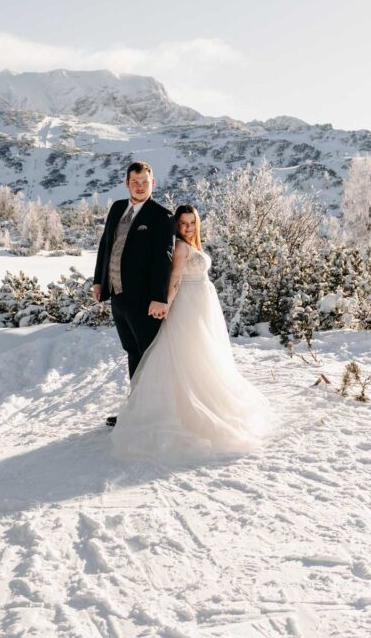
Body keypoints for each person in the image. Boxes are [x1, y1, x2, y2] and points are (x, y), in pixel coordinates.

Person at [111, 204, 275, 461]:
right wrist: (165, 305)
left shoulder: (193, 244)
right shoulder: (179, 246)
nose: (187, 227)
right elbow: (174, 277)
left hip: (201, 305)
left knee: (204, 354)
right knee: (190, 354)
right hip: (187, 304)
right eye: (182, 223)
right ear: (176, 225)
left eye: (191, 223)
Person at [92, 161, 175, 426]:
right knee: (132, 351)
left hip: (145, 301)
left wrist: (159, 298)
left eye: (145, 182)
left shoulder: (162, 216)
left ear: (153, 183)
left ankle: (155, 412)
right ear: (127, 183)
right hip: (118, 295)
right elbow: (106, 245)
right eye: (135, 182)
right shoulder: (117, 208)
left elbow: (164, 260)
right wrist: (98, 282)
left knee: (149, 354)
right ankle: (137, 408)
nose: (140, 187)